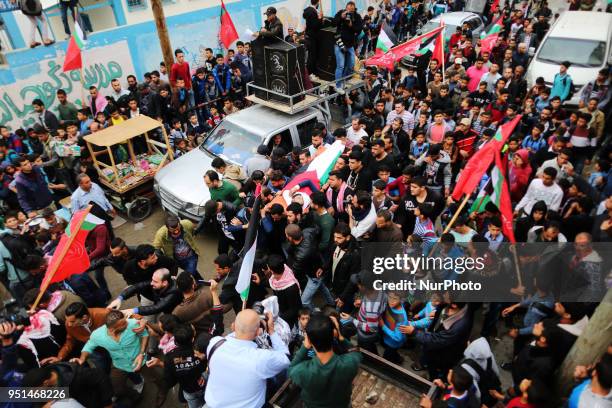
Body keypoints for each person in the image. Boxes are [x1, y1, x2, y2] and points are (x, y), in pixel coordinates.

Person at [71, 310, 163, 406]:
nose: (127, 323)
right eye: (123, 324)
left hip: (141, 361)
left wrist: (142, 353)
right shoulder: (97, 335)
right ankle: (135, 396)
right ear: (113, 328)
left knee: (155, 378)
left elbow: (145, 335)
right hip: (119, 365)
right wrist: (82, 359)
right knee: (116, 388)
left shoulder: (133, 324)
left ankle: (162, 391)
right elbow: (88, 346)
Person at [204, 309, 290, 408]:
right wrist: (271, 330)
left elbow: (231, 337)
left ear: (233, 326)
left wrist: (242, 326)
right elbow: (285, 358)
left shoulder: (215, 343)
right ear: (258, 332)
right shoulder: (260, 359)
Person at [288, 313, 362, 407]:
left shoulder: (303, 372)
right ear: (333, 334)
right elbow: (356, 351)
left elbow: (291, 369)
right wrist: (340, 337)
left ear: (309, 340)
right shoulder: (350, 363)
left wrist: (305, 347)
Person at [21, 362, 113, 408]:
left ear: (45, 383)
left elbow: (101, 378)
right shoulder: (44, 382)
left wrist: (107, 404)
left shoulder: (78, 375)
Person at [108, 268, 182, 318]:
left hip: (173, 313)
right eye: (152, 280)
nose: (151, 283)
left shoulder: (173, 292)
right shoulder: (157, 282)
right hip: (162, 306)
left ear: (164, 283)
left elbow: (157, 308)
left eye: (155, 282)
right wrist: (120, 298)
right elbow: (137, 287)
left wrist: (133, 310)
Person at [153, 214, 202, 280]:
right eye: (173, 231)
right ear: (167, 228)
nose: (176, 232)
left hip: (191, 256)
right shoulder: (160, 234)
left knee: (188, 276)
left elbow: (192, 232)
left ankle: (193, 284)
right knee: (190, 270)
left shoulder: (187, 224)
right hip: (176, 260)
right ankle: (200, 280)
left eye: (178, 229)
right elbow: (156, 248)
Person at [333, 1, 363, 92]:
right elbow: (333, 23)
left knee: (351, 65)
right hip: (339, 43)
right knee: (340, 65)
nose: (349, 12)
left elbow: (359, 30)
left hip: (350, 45)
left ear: (354, 9)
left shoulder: (357, 16)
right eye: (348, 9)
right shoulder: (340, 13)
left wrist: (351, 25)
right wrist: (341, 17)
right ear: (346, 8)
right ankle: (338, 86)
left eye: (351, 10)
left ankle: (343, 81)